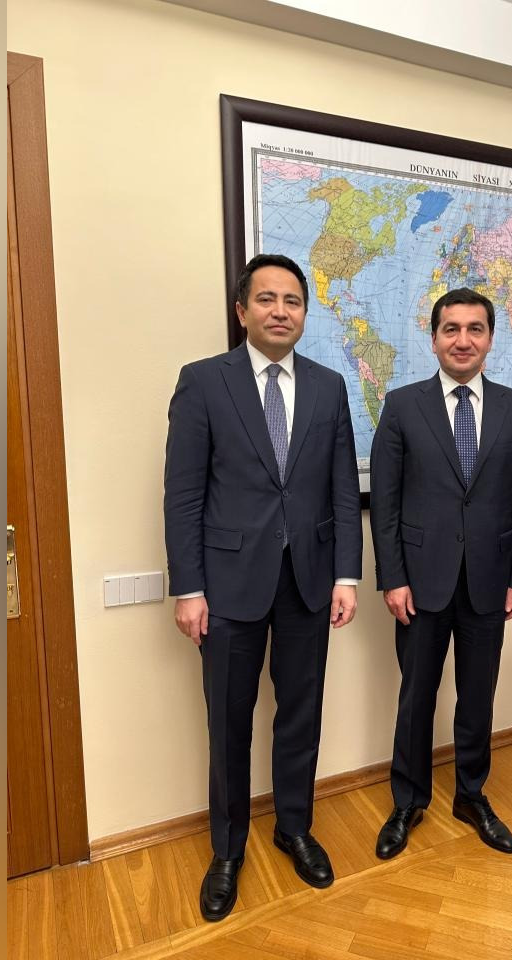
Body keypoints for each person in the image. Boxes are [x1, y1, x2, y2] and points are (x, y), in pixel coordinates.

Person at [164, 253, 362, 922]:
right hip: (227, 586)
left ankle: (294, 827)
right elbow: (183, 495)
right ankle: (227, 850)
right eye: (267, 299)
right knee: (228, 721)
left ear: (305, 313)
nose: (281, 310)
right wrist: (189, 588)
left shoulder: (330, 387)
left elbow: (342, 489)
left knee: (301, 712)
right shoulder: (203, 382)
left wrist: (345, 574)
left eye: (293, 300)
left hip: (308, 581)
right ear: (242, 310)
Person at [368, 287, 512, 860]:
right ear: (434, 338)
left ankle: (471, 794)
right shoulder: (402, 406)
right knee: (416, 696)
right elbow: (385, 504)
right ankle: (408, 801)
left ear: (490, 338)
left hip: (490, 580)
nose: (462, 340)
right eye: (451, 329)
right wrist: (393, 578)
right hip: (420, 584)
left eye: (474, 329)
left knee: (477, 697)